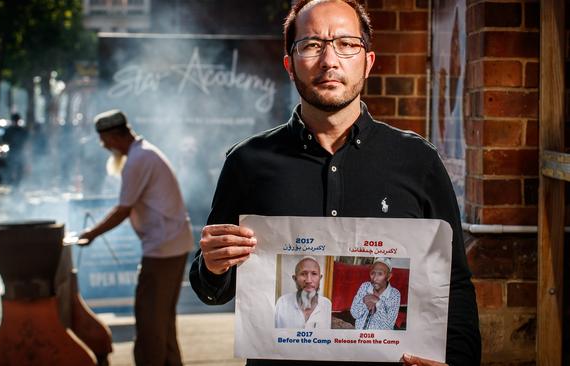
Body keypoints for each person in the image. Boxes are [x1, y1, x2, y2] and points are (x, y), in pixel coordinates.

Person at [189, 0, 481, 365]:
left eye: (346, 44)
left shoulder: (418, 161)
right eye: (312, 45)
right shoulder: (247, 163)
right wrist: (213, 267)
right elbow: (211, 288)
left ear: (368, 62)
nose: (330, 60)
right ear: (290, 65)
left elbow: (453, 284)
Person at [79, 109, 193, 366]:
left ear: (114, 136)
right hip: (171, 244)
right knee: (162, 319)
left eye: (104, 140)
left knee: (150, 319)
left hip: (163, 248)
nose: (104, 146)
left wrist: (90, 234)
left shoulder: (138, 159)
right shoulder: (144, 152)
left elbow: (123, 209)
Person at [275, 256, 332, 329]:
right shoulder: (282, 303)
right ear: (295, 279)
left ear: (320, 278)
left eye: (314, 274)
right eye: (303, 274)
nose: (308, 280)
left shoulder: (327, 304)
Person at [350, 257, 400, 330]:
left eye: (380, 274)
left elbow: (388, 327)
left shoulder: (394, 294)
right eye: (373, 273)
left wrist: (377, 302)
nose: (374, 278)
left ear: (389, 276)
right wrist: (365, 303)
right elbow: (354, 314)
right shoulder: (365, 286)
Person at [2, 113, 28, 185]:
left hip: (19, 154)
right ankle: (14, 185)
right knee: (12, 171)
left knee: (18, 172)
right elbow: (4, 140)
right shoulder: (11, 130)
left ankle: (16, 185)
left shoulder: (21, 131)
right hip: (13, 153)